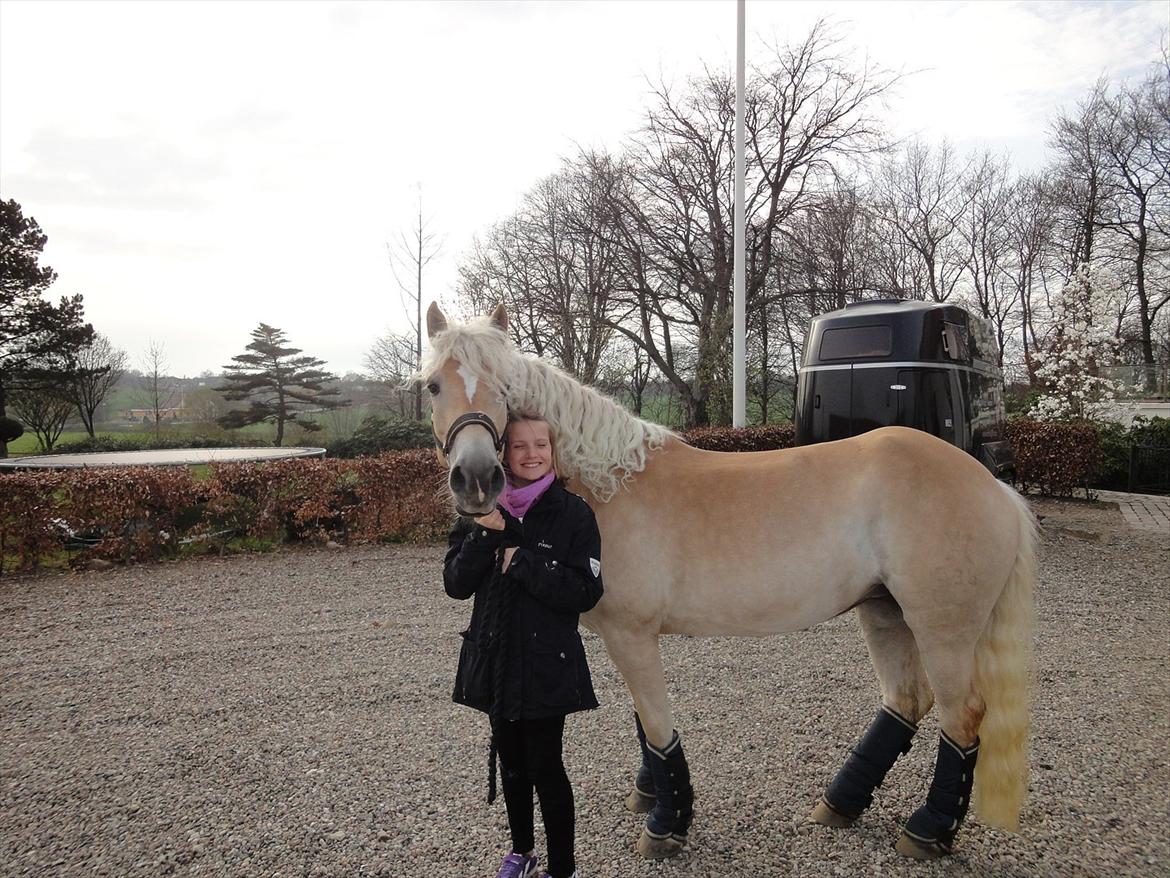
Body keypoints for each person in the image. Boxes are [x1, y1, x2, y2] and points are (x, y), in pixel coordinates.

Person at [443, 413, 604, 878]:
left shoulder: (573, 513)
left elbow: (586, 591)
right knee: (511, 764)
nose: (531, 454)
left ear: (554, 452)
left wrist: (525, 563)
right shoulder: (478, 508)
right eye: (519, 446)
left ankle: (563, 868)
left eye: (541, 445)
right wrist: (486, 533)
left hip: (545, 665)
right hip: (495, 662)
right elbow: (455, 583)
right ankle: (522, 852)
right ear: (502, 454)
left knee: (546, 767)